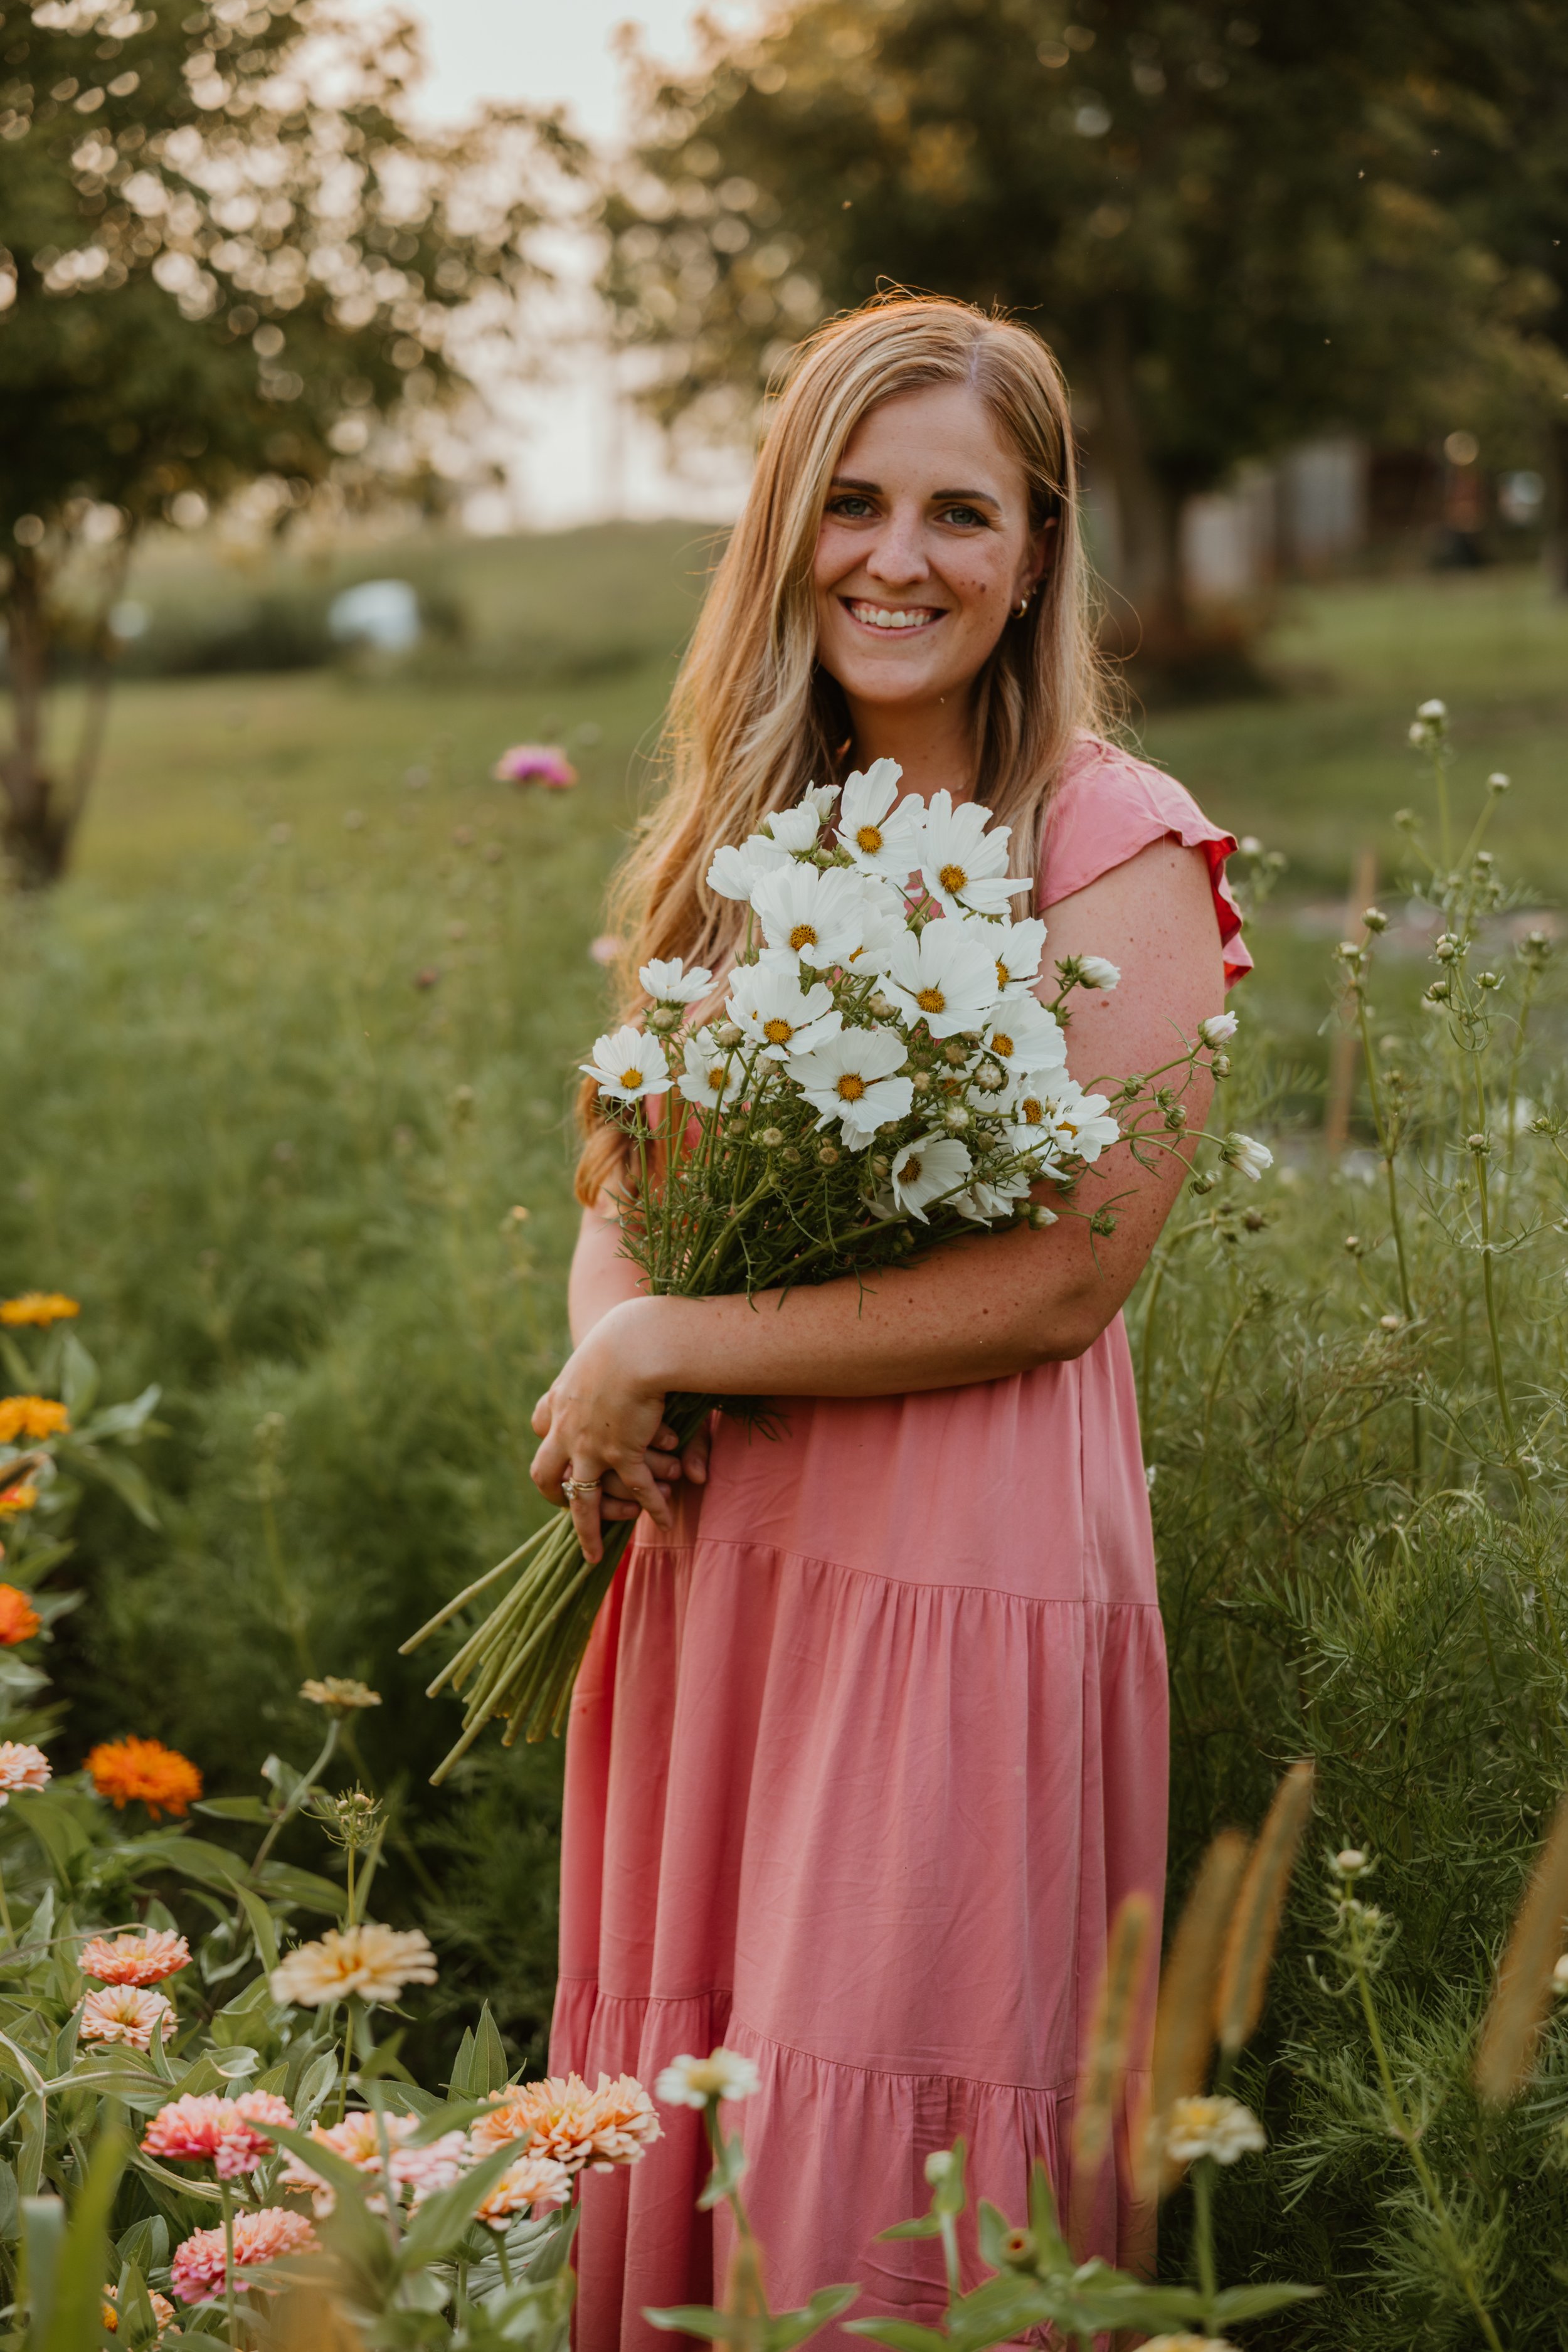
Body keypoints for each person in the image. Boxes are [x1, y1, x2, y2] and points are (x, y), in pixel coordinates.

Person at [529, 296, 1249, 2350]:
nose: (896, 558)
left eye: (959, 512)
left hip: (960, 1579)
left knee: (883, 2168)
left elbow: (1060, 1276)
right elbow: (622, 1189)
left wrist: (663, 1351)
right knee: (702, 2110)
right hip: (720, 1574)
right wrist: (608, 1347)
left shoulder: (1106, 844)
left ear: (1035, 553)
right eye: (847, 502)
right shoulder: (724, 845)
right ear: (782, 530)